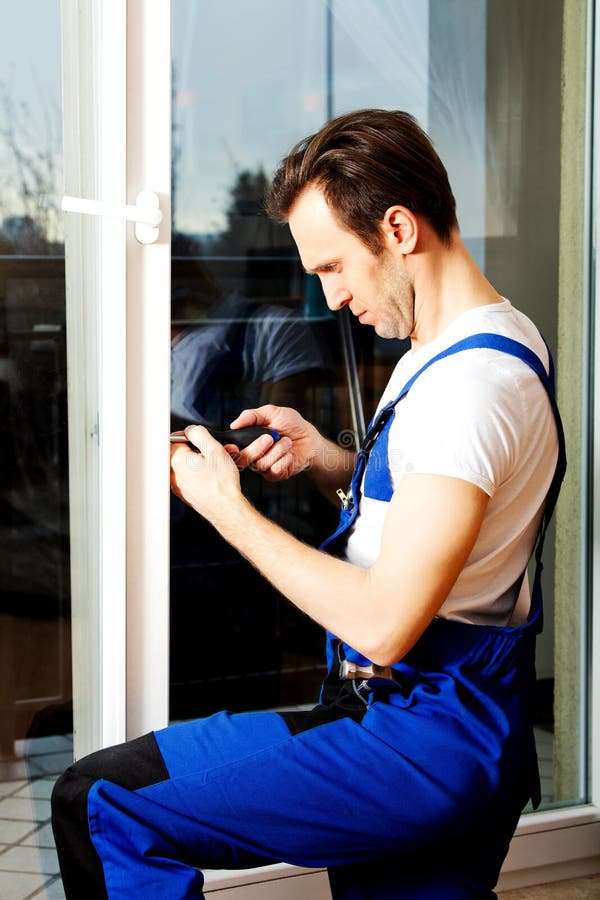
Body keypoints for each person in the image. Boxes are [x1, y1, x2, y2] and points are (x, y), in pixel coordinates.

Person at [51, 109, 565, 899]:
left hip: (417, 737)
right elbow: (450, 506)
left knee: (102, 802)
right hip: (461, 735)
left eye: (332, 268)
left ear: (398, 229)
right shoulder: (481, 339)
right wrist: (333, 462)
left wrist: (226, 507)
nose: (328, 299)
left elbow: (385, 623)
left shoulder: (470, 388)